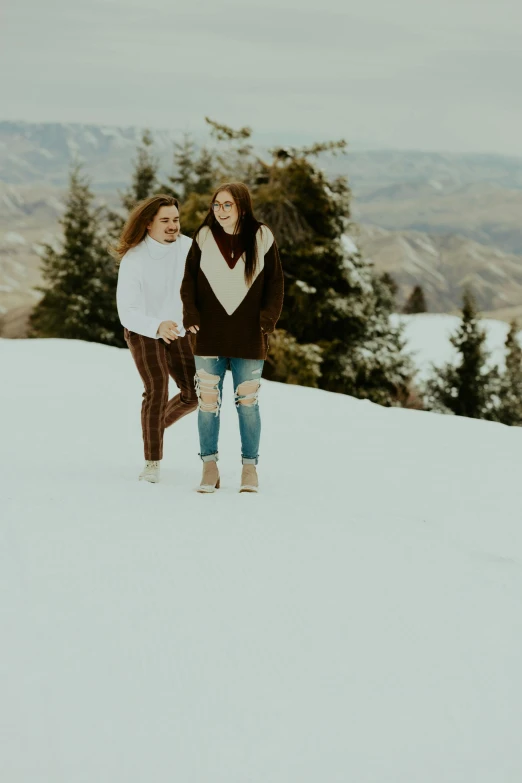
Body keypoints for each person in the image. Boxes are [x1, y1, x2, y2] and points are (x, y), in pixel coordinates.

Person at [181, 182, 284, 493]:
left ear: (242, 206)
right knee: (208, 402)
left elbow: (276, 283)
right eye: (216, 205)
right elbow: (188, 281)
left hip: (249, 335)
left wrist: (267, 321)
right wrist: (191, 315)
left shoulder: (262, 236)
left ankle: (249, 468)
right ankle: (209, 466)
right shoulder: (203, 237)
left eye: (227, 205)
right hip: (207, 334)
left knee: (248, 403)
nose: (220, 211)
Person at [115, 194, 198, 483]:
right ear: (149, 224)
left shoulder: (190, 248)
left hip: (179, 329)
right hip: (143, 329)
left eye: (175, 219)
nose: (173, 225)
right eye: (165, 220)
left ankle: (153, 425)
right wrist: (156, 326)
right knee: (157, 388)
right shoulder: (134, 258)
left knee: (195, 394)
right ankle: (152, 462)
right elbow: (127, 311)